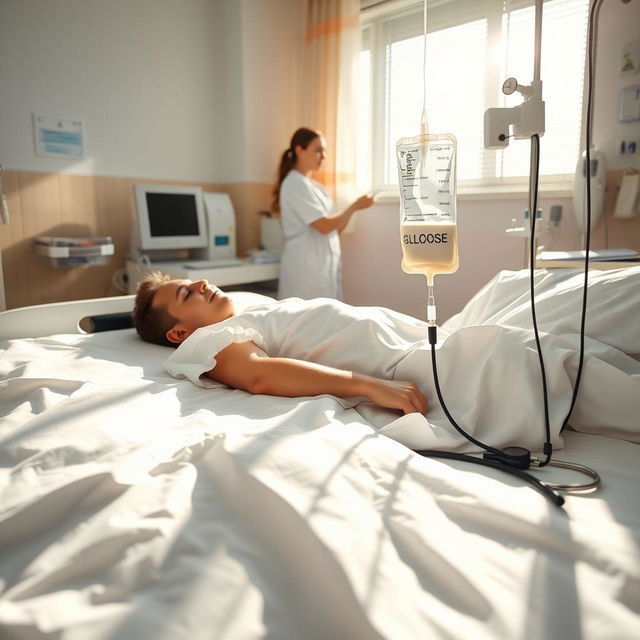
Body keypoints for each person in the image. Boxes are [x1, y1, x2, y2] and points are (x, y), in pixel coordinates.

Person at [133, 272, 428, 416]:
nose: (201, 283)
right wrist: (369, 385)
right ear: (179, 334)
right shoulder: (209, 339)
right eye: (187, 294)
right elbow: (258, 375)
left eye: (193, 282)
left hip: (412, 337)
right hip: (407, 362)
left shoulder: (249, 310)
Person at [272, 127, 375, 300]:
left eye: (324, 151)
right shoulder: (294, 184)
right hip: (305, 268)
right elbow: (324, 226)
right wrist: (354, 206)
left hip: (322, 267)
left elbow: (336, 228)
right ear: (299, 150)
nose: (323, 157)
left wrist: (354, 209)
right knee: (306, 320)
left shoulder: (317, 187)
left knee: (326, 319)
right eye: (318, 151)